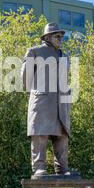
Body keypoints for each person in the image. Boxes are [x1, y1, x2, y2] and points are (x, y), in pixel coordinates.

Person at [21, 22, 73, 178]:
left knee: (62, 136)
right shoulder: (34, 52)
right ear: (47, 37)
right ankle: (38, 167)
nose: (60, 39)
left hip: (61, 102)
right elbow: (25, 78)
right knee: (40, 134)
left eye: (62, 36)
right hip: (42, 101)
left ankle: (63, 169)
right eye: (57, 36)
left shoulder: (65, 57)